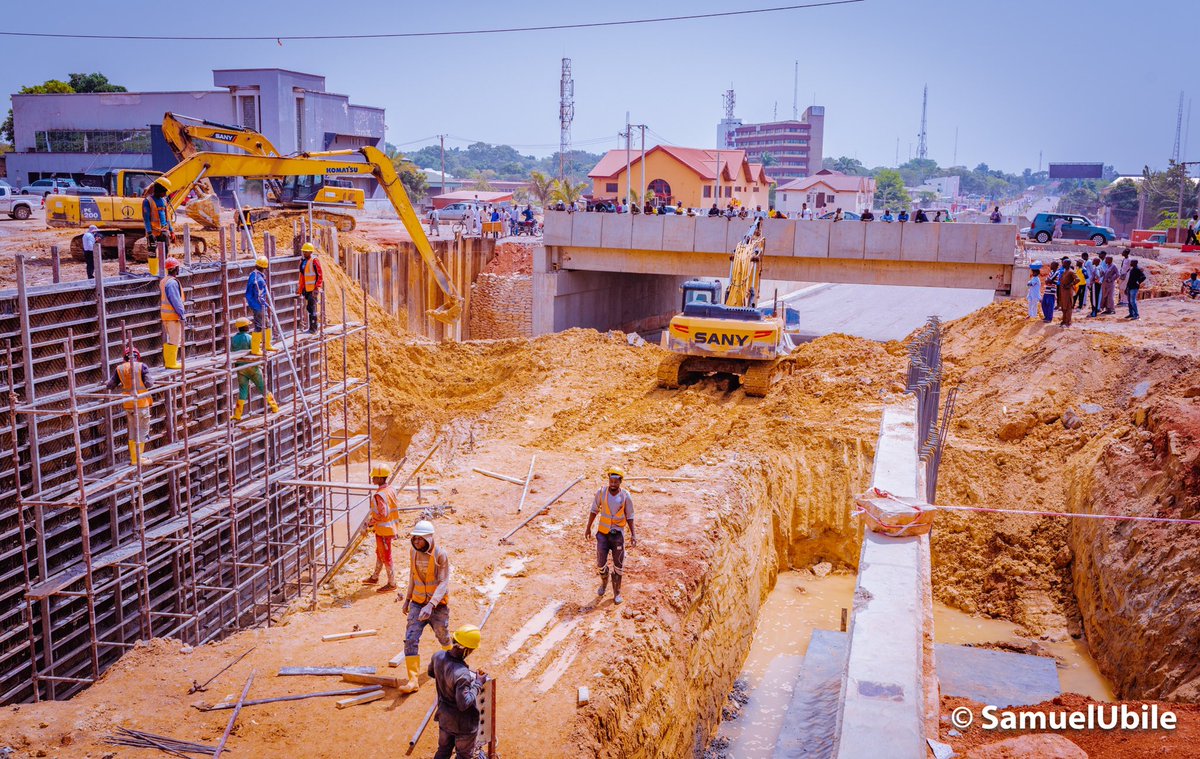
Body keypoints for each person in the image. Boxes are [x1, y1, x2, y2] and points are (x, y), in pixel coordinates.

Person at [398, 519, 451, 694]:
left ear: (429, 538)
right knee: (410, 638)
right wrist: (407, 599)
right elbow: (413, 576)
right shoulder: (413, 553)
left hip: (437, 606)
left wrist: (431, 605)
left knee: (443, 636)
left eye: (420, 539)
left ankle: (452, 664)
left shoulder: (440, 555)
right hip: (417, 603)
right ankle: (413, 680)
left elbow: (443, 582)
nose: (417, 542)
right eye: (415, 539)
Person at [429, 625, 486, 759]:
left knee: (443, 751)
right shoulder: (462, 674)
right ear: (465, 650)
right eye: (471, 650)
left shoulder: (437, 656)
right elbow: (463, 703)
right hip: (463, 725)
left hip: (444, 718)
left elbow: (432, 673)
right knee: (463, 755)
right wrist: (478, 683)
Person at [584, 466, 636, 605]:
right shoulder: (601, 493)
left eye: (615, 481)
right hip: (603, 534)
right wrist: (588, 527)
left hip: (617, 535)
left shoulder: (625, 496)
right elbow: (594, 510)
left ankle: (617, 592)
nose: (612, 484)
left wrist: (633, 534)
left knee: (618, 565)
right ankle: (604, 582)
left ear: (620, 481)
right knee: (601, 563)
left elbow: (630, 515)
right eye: (611, 481)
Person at [107, 346, 154, 466]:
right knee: (142, 430)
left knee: (133, 430)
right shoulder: (141, 366)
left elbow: (110, 385)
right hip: (141, 403)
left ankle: (134, 458)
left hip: (128, 404)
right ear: (138, 356)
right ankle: (139, 458)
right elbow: (149, 383)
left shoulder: (119, 369)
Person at [231, 317, 278, 421]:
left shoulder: (233, 339)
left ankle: (237, 415)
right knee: (262, 387)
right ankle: (274, 407)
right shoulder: (250, 337)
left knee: (242, 391)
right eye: (248, 325)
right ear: (245, 327)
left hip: (240, 368)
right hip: (252, 367)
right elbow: (256, 350)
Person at [362, 465, 400, 591]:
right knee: (380, 553)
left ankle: (392, 583)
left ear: (379, 478)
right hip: (390, 527)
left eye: (374, 476)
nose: (372, 478)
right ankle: (375, 577)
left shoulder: (380, 495)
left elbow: (383, 514)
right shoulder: (390, 489)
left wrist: (371, 522)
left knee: (386, 555)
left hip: (384, 530)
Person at [245, 256, 276, 355]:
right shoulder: (259, 280)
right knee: (259, 325)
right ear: (264, 268)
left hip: (254, 303)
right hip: (258, 305)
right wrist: (266, 305)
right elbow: (259, 296)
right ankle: (256, 348)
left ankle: (266, 344)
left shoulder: (253, 274)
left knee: (267, 324)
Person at [159, 257, 187, 370]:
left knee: (171, 339)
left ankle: (170, 362)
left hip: (166, 315)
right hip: (172, 316)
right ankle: (171, 363)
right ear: (175, 268)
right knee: (175, 339)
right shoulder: (172, 283)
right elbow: (175, 300)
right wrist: (182, 314)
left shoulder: (164, 280)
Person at [142, 178, 174, 258]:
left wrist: (171, 230)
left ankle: (163, 269)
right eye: (164, 191)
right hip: (153, 232)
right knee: (153, 254)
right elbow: (146, 219)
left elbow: (167, 218)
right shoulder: (147, 201)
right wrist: (149, 233)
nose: (165, 194)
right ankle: (154, 270)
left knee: (165, 253)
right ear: (159, 190)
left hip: (163, 231)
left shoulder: (163, 201)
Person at [297, 242, 323, 335]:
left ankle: (314, 328)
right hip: (306, 289)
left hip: (312, 289)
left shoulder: (314, 260)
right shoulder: (303, 261)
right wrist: (300, 289)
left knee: (312, 308)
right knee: (309, 308)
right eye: (304, 251)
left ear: (310, 252)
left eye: (306, 252)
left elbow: (319, 275)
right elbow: (302, 276)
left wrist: (317, 288)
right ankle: (311, 327)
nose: (304, 253)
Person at [1058, 261, 1078, 327]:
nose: (1062, 264)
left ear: (1068, 264)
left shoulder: (1071, 271)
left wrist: (1070, 285)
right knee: (1064, 307)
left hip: (1068, 292)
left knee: (1068, 306)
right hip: (1063, 292)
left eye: (1064, 263)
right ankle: (1064, 320)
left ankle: (1068, 322)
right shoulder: (1064, 271)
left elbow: (1078, 279)